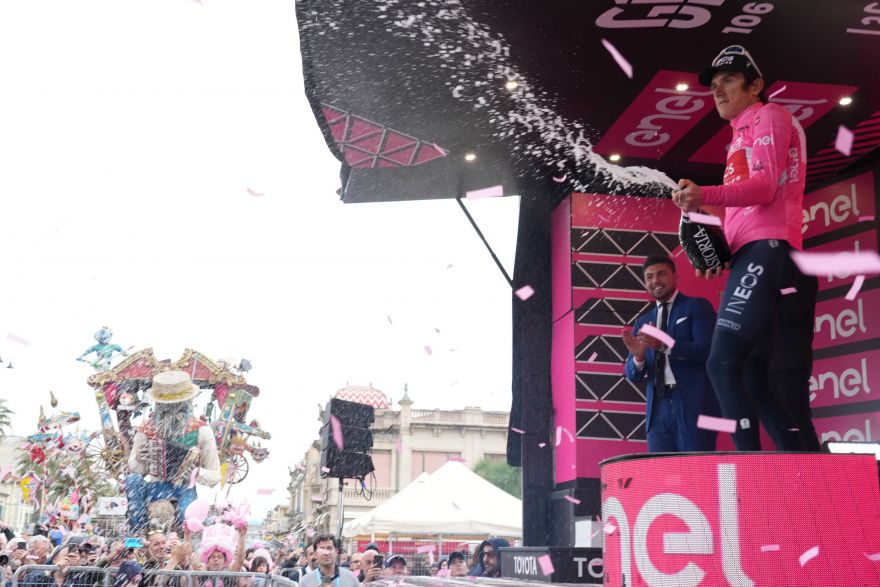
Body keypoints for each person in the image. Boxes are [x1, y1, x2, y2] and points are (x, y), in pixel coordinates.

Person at [673, 45, 815, 451]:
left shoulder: (769, 115)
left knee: (721, 365)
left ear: (755, 85)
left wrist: (704, 195)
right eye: (714, 85)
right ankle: (804, 470)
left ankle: (749, 472)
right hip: (755, 254)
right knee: (753, 379)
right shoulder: (739, 133)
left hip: (768, 250)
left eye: (729, 81)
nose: (718, 91)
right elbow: (749, 202)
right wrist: (714, 246)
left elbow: (765, 187)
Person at [622, 256, 720, 452]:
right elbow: (632, 375)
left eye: (661, 274)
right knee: (661, 469)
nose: (655, 281)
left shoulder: (697, 306)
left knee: (697, 468)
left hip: (694, 405)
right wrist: (639, 358)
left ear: (676, 276)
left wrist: (665, 345)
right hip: (657, 408)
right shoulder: (643, 321)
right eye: (649, 277)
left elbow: (708, 351)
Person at [126, 371, 221, 533]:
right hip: (156, 486)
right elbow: (136, 469)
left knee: (187, 516)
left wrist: (197, 472)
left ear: (186, 403)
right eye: (167, 405)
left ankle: (186, 538)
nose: (172, 410)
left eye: (176, 405)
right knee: (132, 480)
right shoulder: (146, 429)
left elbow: (215, 475)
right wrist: (141, 460)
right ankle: (139, 532)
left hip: (184, 487)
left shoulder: (201, 431)